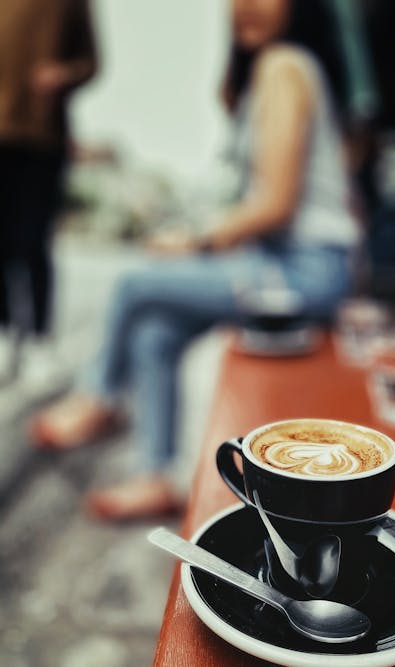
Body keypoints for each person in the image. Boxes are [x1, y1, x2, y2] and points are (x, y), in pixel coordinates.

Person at [32, 0, 361, 520]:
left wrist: (196, 242)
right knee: (155, 330)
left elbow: (276, 205)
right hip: (279, 265)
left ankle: (101, 396)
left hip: (304, 272)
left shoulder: (285, 65)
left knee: (135, 283)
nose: (246, 6)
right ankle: (157, 474)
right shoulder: (276, 74)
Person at [0, 0, 97, 388]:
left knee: (34, 239)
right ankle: (6, 333)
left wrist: (63, 74)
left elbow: (91, 62)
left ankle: (40, 338)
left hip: (44, 138)